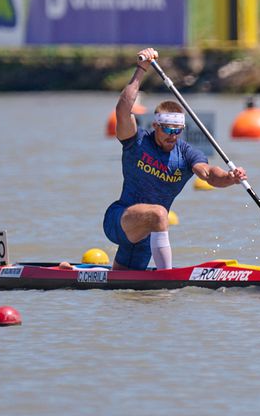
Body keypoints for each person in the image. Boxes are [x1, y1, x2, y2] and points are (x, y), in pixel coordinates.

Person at [102, 47, 248, 270]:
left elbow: (209, 174)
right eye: (168, 130)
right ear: (155, 126)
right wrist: (142, 68)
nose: (173, 136)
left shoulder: (187, 153)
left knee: (126, 288)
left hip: (146, 235)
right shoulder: (136, 141)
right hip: (119, 220)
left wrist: (230, 178)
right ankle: (167, 275)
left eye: (178, 130)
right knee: (160, 213)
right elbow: (123, 110)